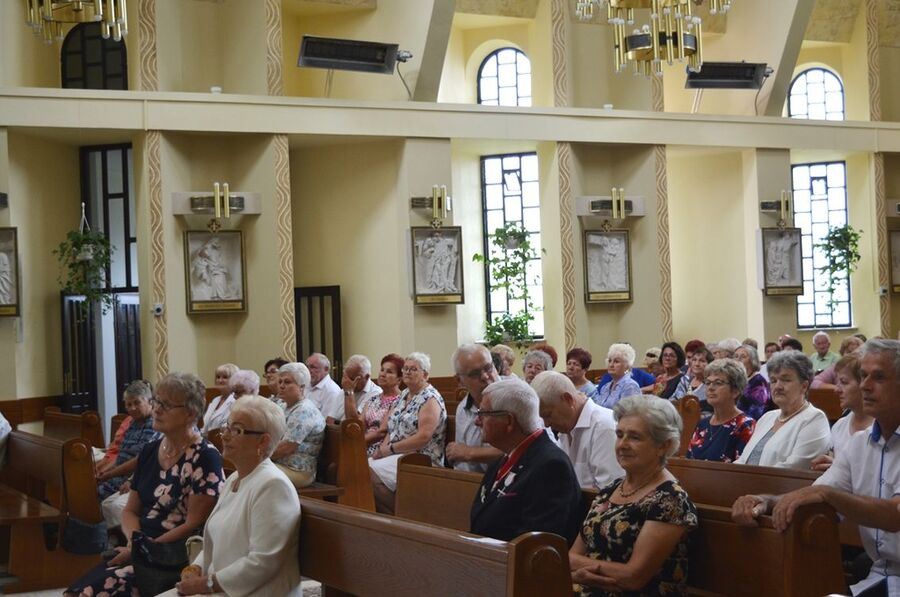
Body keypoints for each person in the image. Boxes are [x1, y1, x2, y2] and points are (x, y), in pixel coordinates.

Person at [732, 339, 900, 596]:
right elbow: (815, 492)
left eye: (878, 377)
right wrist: (765, 500)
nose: (865, 385)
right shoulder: (860, 445)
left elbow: (893, 516)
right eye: (864, 376)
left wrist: (828, 495)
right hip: (881, 576)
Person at [66, 372, 224, 597]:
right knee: (74, 592)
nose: (156, 409)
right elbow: (130, 510)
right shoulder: (151, 451)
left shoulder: (205, 456)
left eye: (166, 405)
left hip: (174, 556)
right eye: (157, 401)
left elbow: (193, 525)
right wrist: (135, 543)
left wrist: (141, 550)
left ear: (190, 413)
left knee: (89, 593)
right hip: (140, 547)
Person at [165, 396, 302, 597]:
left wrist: (207, 584)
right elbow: (217, 540)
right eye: (226, 427)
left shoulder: (273, 486)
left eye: (236, 430)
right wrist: (196, 568)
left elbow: (263, 561)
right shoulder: (234, 479)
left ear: (263, 441)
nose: (225, 436)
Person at [570, 396, 698, 596]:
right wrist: (579, 574)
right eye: (619, 435)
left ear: (663, 445)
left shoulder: (670, 499)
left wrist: (581, 569)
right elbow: (571, 556)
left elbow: (634, 576)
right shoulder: (611, 490)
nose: (622, 444)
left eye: (635, 437)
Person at [469, 378, 582, 544]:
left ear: (509, 421)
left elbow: (536, 543)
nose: (477, 421)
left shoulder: (551, 467)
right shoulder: (503, 460)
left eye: (483, 414)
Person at [369, 352, 447, 514]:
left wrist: (390, 449)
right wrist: (382, 450)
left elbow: (423, 437)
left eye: (413, 369)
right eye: (405, 369)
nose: (407, 372)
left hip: (421, 457)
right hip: (397, 453)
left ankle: (404, 515)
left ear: (425, 374)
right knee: (361, 468)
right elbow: (391, 426)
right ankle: (388, 516)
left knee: (369, 473)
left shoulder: (430, 398)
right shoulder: (403, 395)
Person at [734, 351, 831, 469]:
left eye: (785, 380)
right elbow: (743, 459)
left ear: (804, 386)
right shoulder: (767, 417)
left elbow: (795, 467)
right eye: (773, 381)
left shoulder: (814, 419)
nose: (777, 386)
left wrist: (748, 477)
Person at [532, 371, 623, 489]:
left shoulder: (604, 427)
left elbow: (610, 490)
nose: (546, 424)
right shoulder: (566, 427)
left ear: (568, 399)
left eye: (548, 415)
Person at [96, 380, 160, 501]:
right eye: (129, 404)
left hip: (134, 478)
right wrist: (104, 471)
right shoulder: (133, 423)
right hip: (118, 475)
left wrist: (109, 474)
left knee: (92, 495)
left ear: (150, 402)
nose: (133, 408)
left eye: (137, 403)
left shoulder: (155, 425)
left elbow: (141, 461)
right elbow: (121, 455)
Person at [810, 354, 874, 472]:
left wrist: (838, 468)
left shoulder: (884, 428)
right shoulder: (839, 426)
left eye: (844, 382)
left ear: (864, 384)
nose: (837, 389)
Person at [445, 344, 503, 473]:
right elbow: (461, 459)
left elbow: (524, 450)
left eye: (488, 368)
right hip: (477, 481)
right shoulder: (463, 409)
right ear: (459, 380)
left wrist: (470, 453)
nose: (485, 376)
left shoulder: (516, 397)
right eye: (475, 374)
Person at [686, 359, 755, 463]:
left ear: (735, 391)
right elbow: (689, 461)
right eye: (708, 383)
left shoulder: (745, 426)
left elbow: (743, 469)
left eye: (718, 383)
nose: (710, 388)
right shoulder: (702, 424)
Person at [272, 362, 325, 489]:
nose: (281, 386)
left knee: (256, 473)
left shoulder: (304, 410)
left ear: (301, 387)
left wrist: (257, 454)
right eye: (280, 382)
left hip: (298, 470)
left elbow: (286, 447)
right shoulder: (282, 405)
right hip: (278, 464)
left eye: (287, 382)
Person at [344, 353, 402, 455]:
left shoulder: (400, 400)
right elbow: (358, 426)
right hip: (363, 445)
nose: (382, 374)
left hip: (382, 449)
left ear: (399, 379)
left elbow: (381, 432)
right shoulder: (373, 399)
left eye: (389, 372)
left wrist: (355, 443)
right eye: (382, 370)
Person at [592, 343, 642, 409]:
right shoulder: (605, 387)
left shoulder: (630, 386)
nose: (611, 365)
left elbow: (628, 413)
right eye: (609, 361)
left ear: (627, 366)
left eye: (616, 361)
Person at [734, 344, 772, 420]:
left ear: (752, 360)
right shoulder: (737, 379)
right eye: (736, 356)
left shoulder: (758, 382)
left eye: (743, 357)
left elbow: (757, 413)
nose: (738, 360)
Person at [306, 352, 344, 423]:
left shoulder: (331, 391)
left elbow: (325, 422)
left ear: (326, 369)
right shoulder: (305, 385)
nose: (308, 371)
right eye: (307, 367)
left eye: (313, 367)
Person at [202, 363, 239, 435]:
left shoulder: (236, 401)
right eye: (218, 377)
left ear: (235, 380)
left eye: (225, 377)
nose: (220, 380)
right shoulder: (215, 400)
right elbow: (204, 425)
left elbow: (228, 427)